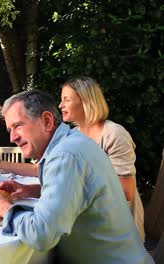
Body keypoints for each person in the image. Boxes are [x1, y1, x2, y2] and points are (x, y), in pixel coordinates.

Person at [0, 90, 152, 263]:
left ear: (47, 121)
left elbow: (41, 236)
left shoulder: (65, 155)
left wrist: (4, 209)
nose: (13, 138)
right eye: (10, 129)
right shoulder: (72, 141)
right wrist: (32, 190)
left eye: (18, 126)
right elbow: (81, 191)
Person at [59, 76, 145, 240]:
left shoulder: (114, 134)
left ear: (86, 101)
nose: (60, 105)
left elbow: (126, 193)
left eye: (66, 99)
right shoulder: (74, 136)